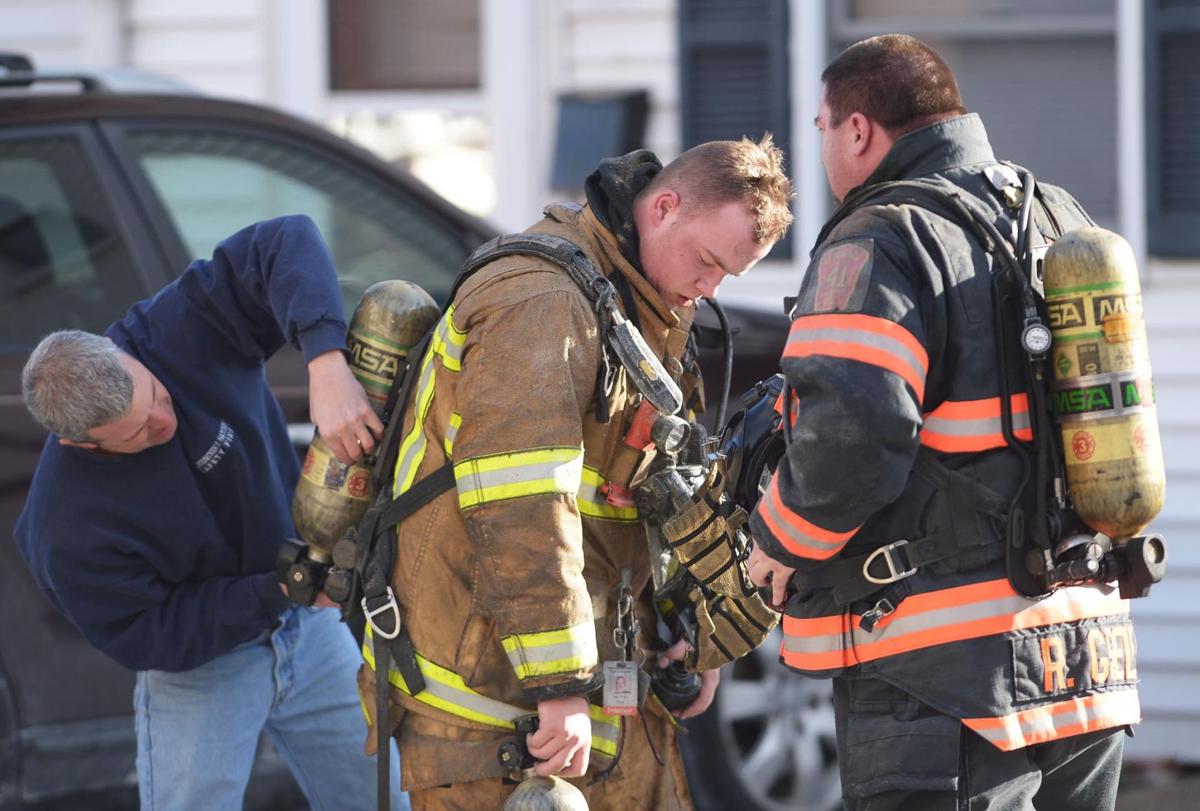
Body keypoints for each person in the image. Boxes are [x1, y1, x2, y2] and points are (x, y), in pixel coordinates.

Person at [745, 35, 1139, 810]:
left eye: (822, 128)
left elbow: (853, 437)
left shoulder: (877, 241)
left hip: (944, 673)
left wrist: (776, 544)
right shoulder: (1059, 215)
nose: (820, 149)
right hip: (1084, 655)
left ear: (858, 130)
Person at [357, 138, 792, 810]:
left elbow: (648, 498)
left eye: (727, 276)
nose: (710, 289)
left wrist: (691, 639)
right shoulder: (541, 303)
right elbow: (521, 504)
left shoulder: (640, 308)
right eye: (709, 261)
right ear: (665, 207)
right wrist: (558, 686)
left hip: (604, 703)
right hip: (500, 717)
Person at [14, 216, 408, 810]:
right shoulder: (66, 530)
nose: (162, 423)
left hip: (310, 631)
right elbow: (152, 634)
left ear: (126, 354)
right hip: (202, 670)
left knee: (382, 802)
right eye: (140, 433)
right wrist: (280, 587)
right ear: (83, 444)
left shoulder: (171, 330)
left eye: (156, 396)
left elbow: (285, 241)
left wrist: (325, 361)